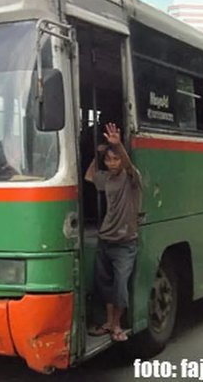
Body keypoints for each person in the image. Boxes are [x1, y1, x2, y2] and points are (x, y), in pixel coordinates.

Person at [85, 122, 142, 341]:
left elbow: (128, 165)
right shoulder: (106, 178)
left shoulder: (131, 178)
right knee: (106, 285)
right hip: (105, 239)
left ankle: (117, 325)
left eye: (115, 159)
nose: (112, 163)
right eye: (109, 160)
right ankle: (110, 323)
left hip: (125, 243)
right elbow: (89, 176)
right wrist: (98, 154)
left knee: (120, 286)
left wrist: (117, 146)